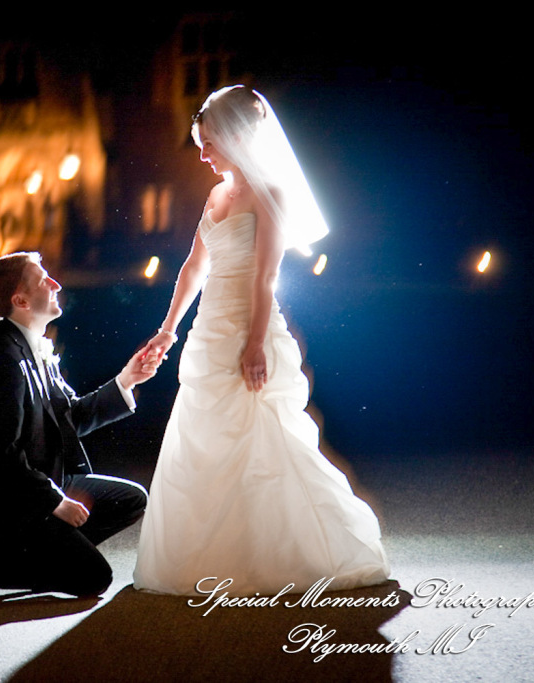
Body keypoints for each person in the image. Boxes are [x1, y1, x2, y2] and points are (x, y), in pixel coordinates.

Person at [133, 85, 390, 596]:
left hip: (249, 328)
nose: (202, 153)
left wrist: (253, 344)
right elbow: (193, 266)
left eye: (209, 142)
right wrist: (167, 329)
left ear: (233, 137)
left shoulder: (271, 191)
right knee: (203, 439)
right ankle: (213, 555)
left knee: (266, 439)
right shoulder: (216, 194)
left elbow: (266, 276)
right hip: (208, 330)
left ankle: (293, 554)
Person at [0, 251, 159, 600]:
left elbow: (70, 419)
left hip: (46, 482)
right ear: (20, 300)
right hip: (10, 502)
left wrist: (126, 380)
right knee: (93, 579)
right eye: (44, 279)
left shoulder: (34, 346)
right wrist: (54, 502)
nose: (56, 283)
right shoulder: (3, 359)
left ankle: (46, 552)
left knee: (131, 499)